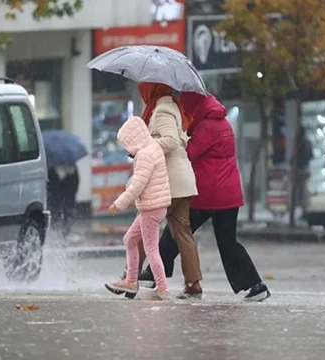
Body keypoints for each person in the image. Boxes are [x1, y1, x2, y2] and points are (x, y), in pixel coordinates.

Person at [137, 92, 271, 302]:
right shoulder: (222, 123)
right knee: (228, 243)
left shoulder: (207, 127)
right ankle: (255, 285)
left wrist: (176, 138)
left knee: (176, 230)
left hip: (208, 194)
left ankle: (153, 275)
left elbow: (188, 152)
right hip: (228, 195)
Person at [129, 82, 204, 299]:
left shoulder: (162, 109)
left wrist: (146, 149)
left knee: (144, 227)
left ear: (152, 89)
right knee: (183, 233)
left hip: (167, 181)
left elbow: (170, 140)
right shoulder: (174, 108)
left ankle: (131, 277)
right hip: (183, 180)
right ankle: (193, 283)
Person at [104, 116, 172, 301]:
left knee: (151, 249)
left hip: (151, 207)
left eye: (126, 144)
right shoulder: (154, 147)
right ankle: (131, 281)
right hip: (154, 206)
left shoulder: (144, 155)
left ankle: (162, 288)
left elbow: (137, 185)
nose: (127, 149)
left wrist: (119, 203)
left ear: (133, 140)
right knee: (130, 239)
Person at [47, 164, 80, 239]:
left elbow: (75, 183)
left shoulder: (72, 170)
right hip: (58, 197)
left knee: (66, 212)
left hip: (66, 196)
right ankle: (59, 230)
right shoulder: (72, 168)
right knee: (59, 211)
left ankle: (64, 231)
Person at [294, 126, 313, 211]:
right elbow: (311, 155)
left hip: (299, 168)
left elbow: (294, 156)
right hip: (305, 167)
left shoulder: (298, 143)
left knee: (298, 188)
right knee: (304, 187)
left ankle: (300, 204)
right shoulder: (308, 142)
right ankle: (304, 205)